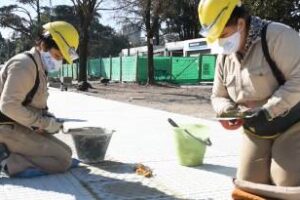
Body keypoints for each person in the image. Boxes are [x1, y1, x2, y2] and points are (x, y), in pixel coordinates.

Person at [198, 0, 300, 198]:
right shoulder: (225, 55)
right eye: (215, 37)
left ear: (241, 24)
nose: (220, 42)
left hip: (292, 124)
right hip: (256, 130)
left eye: (223, 35)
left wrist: (269, 110)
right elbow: (218, 96)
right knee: (247, 186)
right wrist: (227, 112)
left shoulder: (278, 36)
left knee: (287, 184)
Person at [0, 21, 79, 177]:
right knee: (62, 160)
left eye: (62, 59)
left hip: (17, 123)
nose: (58, 62)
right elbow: (8, 106)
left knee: (67, 152)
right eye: (57, 55)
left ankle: (12, 151)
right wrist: (42, 123)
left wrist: (48, 120)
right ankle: (7, 160)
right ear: (43, 44)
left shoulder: (38, 67)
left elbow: (31, 103)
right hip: (4, 126)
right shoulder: (24, 65)